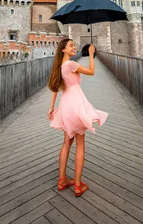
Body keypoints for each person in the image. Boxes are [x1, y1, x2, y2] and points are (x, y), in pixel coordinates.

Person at [47, 39, 108, 197]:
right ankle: (78, 185)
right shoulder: (70, 65)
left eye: (74, 45)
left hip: (66, 105)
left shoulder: (60, 67)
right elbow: (91, 72)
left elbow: (55, 88)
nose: (74, 47)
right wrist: (91, 55)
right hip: (76, 105)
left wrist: (52, 107)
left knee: (67, 142)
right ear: (63, 50)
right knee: (80, 144)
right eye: (71, 46)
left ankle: (62, 180)